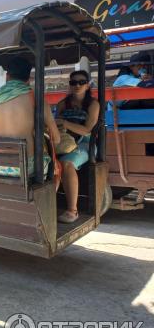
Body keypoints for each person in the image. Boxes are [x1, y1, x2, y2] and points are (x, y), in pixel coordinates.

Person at [0, 57, 60, 178]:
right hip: (25, 168)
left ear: (7, 76)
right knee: (56, 167)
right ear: (28, 79)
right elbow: (56, 139)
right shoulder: (36, 98)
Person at [56, 70, 100, 224]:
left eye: (81, 82)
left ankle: (72, 211)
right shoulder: (62, 104)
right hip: (64, 142)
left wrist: (66, 123)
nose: (77, 85)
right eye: (73, 82)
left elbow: (87, 129)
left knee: (67, 163)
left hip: (85, 143)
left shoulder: (93, 104)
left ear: (87, 85)